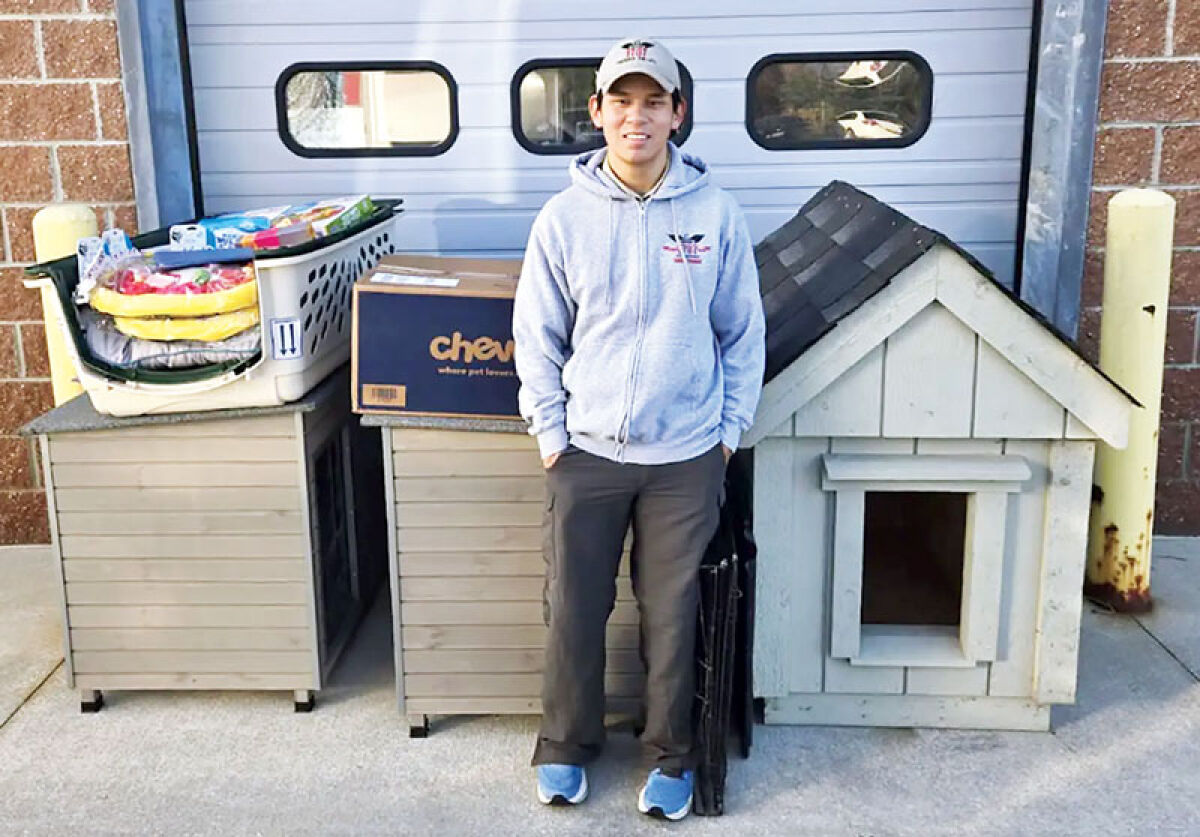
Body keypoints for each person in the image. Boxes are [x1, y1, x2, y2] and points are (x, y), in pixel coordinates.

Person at [512, 37, 765, 821]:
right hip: (586, 451)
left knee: (673, 612)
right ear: (596, 113)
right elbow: (537, 335)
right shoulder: (562, 219)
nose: (636, 116)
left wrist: (726, 433)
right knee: (576, 607)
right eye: (621, 101)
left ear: (677, 114)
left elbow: (742, 333)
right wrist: (551, 434)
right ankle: (564, 744)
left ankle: (670, 756)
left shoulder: (715, 214)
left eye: (653, 101)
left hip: (686, 456)